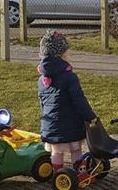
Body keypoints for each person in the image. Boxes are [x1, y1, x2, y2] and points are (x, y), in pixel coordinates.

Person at [37, 30, 97, 176]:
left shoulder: (41, 80)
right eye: (68, 52)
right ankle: (80, 173)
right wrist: (90, 116)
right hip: (70, 124)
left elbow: (42, 102)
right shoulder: (70, 78)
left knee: (56, 150)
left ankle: (58, 174)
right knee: (75, 148)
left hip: (50, 124)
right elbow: (79, 100)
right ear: (62, 55)